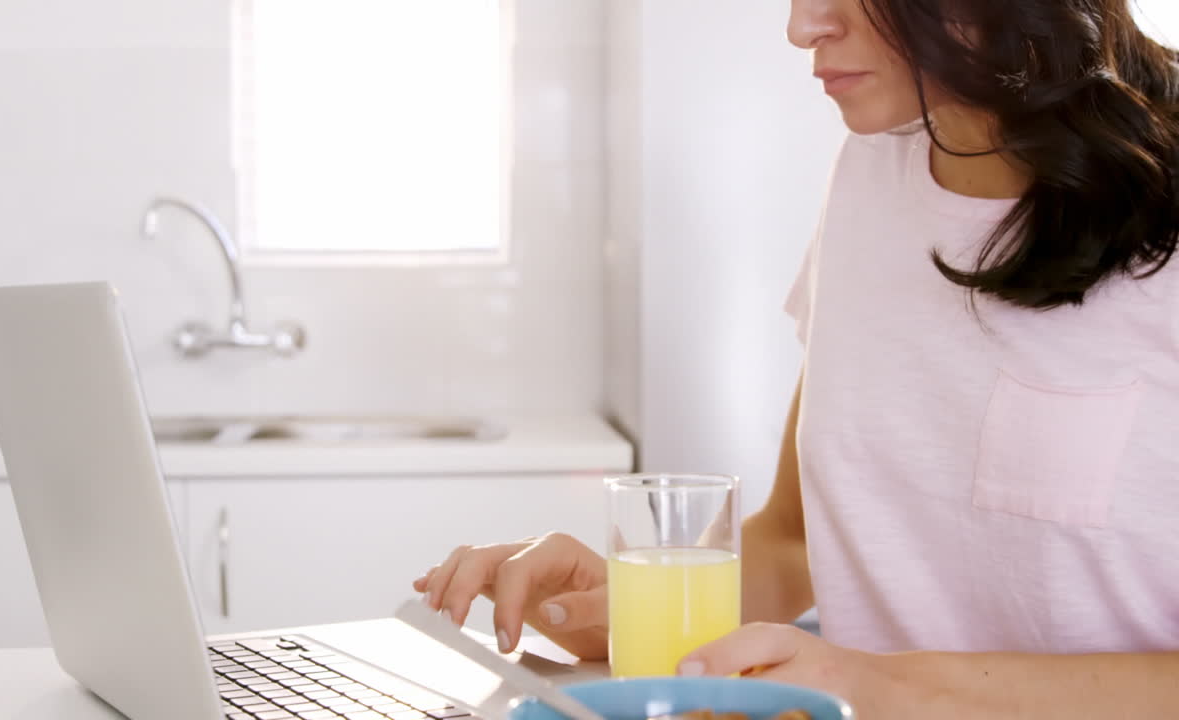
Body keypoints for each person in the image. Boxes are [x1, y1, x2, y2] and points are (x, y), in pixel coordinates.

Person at [414, 0, 1179, 714]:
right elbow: (795, 542)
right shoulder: (871, 170)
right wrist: (624, 606)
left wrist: (875, 685)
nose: (802, 26)